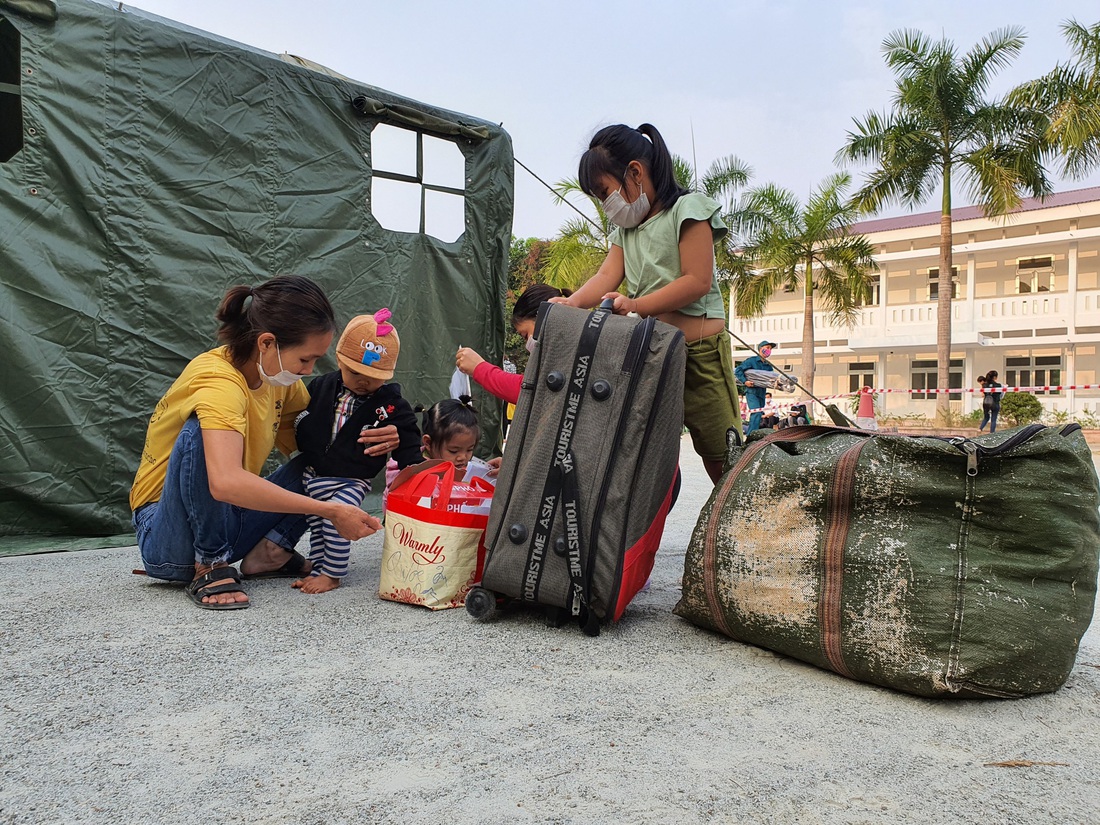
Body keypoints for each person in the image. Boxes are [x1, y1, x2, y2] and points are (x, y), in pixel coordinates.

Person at [130, 275, 401, 611]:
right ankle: (210, 564)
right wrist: (330, 510)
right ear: (267, 343)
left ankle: (271, 550)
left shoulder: (279, 380)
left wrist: (381, 429)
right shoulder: (217, 381)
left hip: (226, 523)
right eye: (305, 359)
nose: (309, 370)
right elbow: (226, 482)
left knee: (321, 459)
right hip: (167, 538)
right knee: (198, 431)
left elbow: (321, 436)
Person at [549, 123, 743, 483]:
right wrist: (572, 303)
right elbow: (607, 276)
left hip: (699, 354)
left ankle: (736, 530)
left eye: (605, 192)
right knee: (639, 456)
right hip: (651, 355)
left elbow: (697, 281)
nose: (605, 205)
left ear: (635, 172)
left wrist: (636, 305)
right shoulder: (625, 230)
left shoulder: (688, 210)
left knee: (722, 456)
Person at [292, 309, 423, 594]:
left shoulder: (391, 404)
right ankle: (318, 566)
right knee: (317, 523)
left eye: (373, 376)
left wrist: (412, 464)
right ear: (339, 359)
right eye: (355, 372)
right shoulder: (322, 385)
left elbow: (409, 436)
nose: (363, 381)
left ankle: (332, 574)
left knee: (337, 522)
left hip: (352, 479)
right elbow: (303, 415)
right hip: (314, 473)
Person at [455, 284, 569, 405]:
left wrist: (479, 368)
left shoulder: (570, 357)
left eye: (525, 335)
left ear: (544, 319)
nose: (527, 345)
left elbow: (530, 391)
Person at [735, 341, 779, 436]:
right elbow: (738, 370)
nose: (769, 350)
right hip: (752, 392)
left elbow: (771, 378)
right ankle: (751, 435)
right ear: (760, 348)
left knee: (759, 414)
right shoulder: (752, 361)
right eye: (767, 347)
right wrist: (745, 381)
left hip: (762, 392)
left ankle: (754, 434)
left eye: (770, 349)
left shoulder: (768, 366)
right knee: (757, 413)